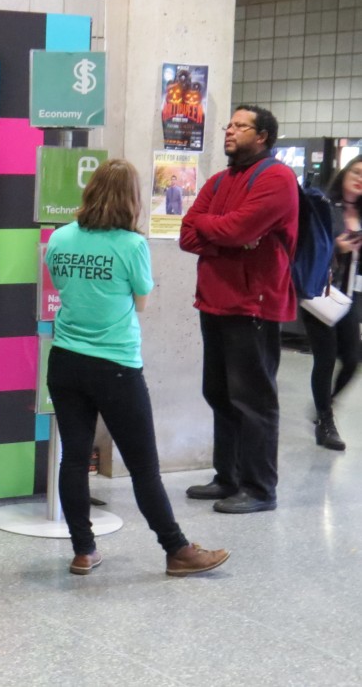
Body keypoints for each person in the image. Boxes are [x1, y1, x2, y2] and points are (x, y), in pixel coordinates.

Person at [46, 158, 229, 577]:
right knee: (144, 465)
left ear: (90, 191)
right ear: (131, 199)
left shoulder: (59, 238)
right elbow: (141, 302)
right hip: (115, 366)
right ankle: (177, 550)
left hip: (65, 361)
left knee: (74, 459)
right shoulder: (131, 246)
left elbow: (61, 285)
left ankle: (83, 551)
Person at [179, 105, 299, 513]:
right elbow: (187, 233)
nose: (228, 131)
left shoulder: (278, 178)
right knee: (219, 394)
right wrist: (226, 235)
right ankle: (227, 477)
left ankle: (260, 489)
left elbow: (236, 229)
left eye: (239, 126)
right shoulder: (219, 180)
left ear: (262, 135)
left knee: (253, 400)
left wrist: (224, 230)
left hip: (254, 305)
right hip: (214, 301)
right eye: (228, 124)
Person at [302, 155, 362, 450]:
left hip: (351, 295)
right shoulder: (325, 204)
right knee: (325, 358)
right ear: (345, 173)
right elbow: (307, 245)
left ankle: (326, 404)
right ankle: (325, 422)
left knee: (352, 359)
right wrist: (336, 247)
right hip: (321, 293)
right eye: (356, 171)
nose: (359, 178)